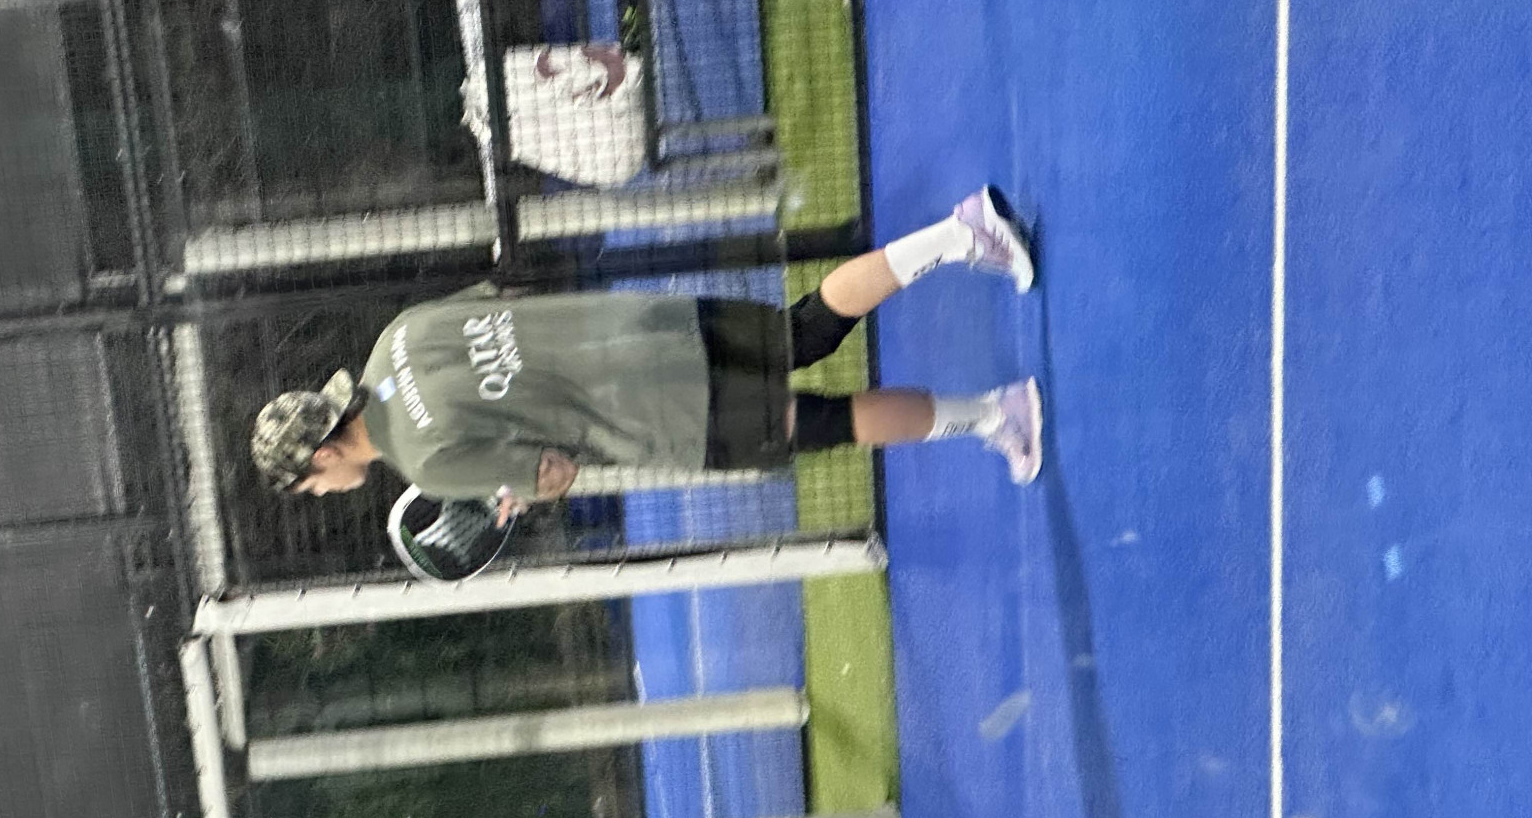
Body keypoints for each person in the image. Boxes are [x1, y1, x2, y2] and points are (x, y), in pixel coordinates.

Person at [250, 188, 1045, 520]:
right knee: (801, 329)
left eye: (310, 483)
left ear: (322, 454)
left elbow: (551, 470)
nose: (323, 492)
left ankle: (994, 415)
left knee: (828, 422)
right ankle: (960, 231)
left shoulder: (425, 464)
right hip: (649, 325)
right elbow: (501, 305)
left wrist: (528, 487)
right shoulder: (398, 335)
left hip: (660, 415)